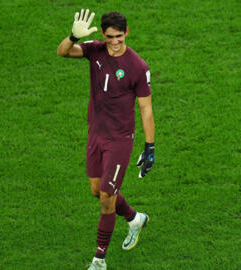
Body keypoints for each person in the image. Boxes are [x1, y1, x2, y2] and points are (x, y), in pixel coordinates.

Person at [57, 9, 156, 270]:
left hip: (120, 139)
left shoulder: (137, 66)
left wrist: (149, 146)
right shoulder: (95, 50)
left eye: (119, 37)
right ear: (103, 33)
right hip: (96, 133)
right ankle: (134, 218)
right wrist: (72, 37)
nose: (114, 42)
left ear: (127, 33)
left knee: (105, 196)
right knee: (96, 190)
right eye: (110, 36)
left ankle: (99, 259)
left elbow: (146, 108)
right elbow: (63, 52)